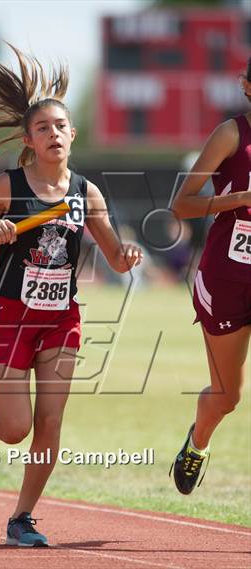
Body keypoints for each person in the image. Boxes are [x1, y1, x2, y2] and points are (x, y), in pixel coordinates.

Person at [0, 44, 143, 546]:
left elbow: (113, 254)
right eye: (43, 129)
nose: (53, 134)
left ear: (72, 134)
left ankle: (22, 519)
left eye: (60, 126)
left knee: (51, 421)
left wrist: (127, 256)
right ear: (29, 140)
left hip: (61, 316)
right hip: (11, 313)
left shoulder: (87, 193)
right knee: (14, 429)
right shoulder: (9, 185)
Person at [170, 58, 251, 494]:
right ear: (247, 86)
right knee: (227, 397)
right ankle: (197, 444)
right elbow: (181, 205)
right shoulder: (231, 134)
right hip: (226, 279)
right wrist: (239, 197)